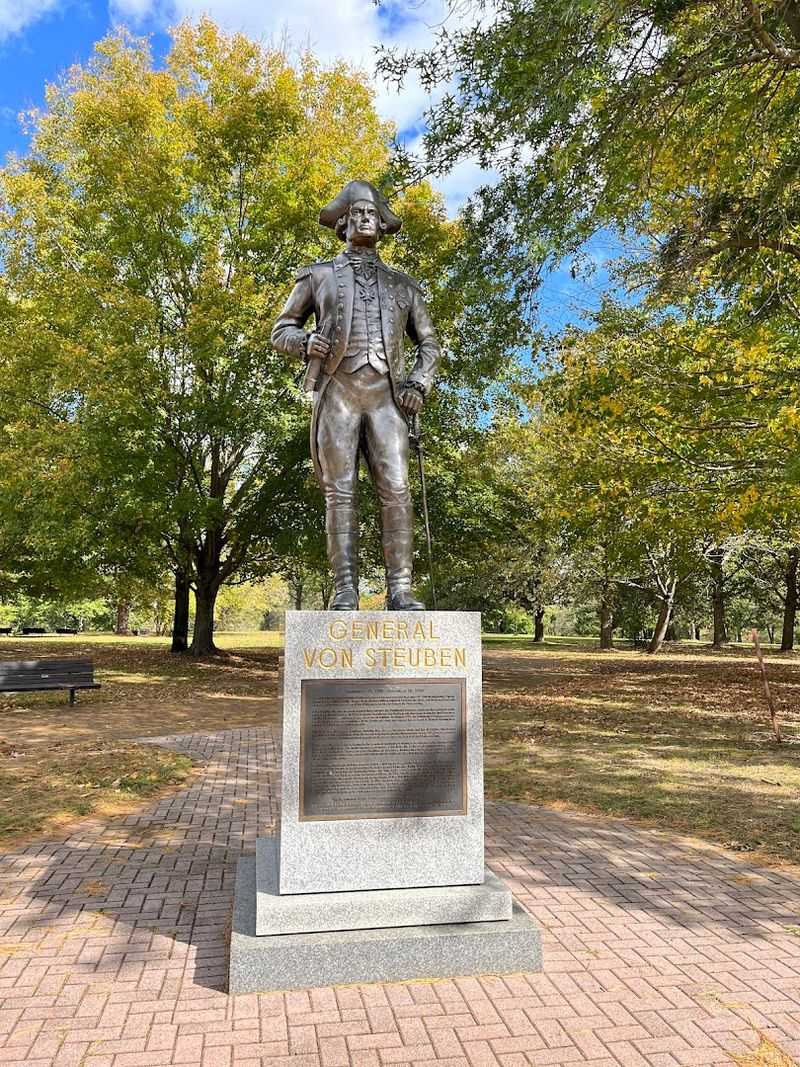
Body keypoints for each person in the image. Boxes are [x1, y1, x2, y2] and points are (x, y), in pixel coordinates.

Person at [271, 180, 440, 610]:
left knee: (397, 489)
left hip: (387, 397)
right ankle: (345, 589)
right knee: (339, 491)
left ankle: (400, 589)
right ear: (343, 223)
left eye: (372, 214)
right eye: (357, 213)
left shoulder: (405, 286)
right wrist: (304, 343)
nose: (365, 219)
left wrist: (418, 383)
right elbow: (281, 329)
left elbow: (429, 344)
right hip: (338, 393)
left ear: (382, 225)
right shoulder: (318, 276)